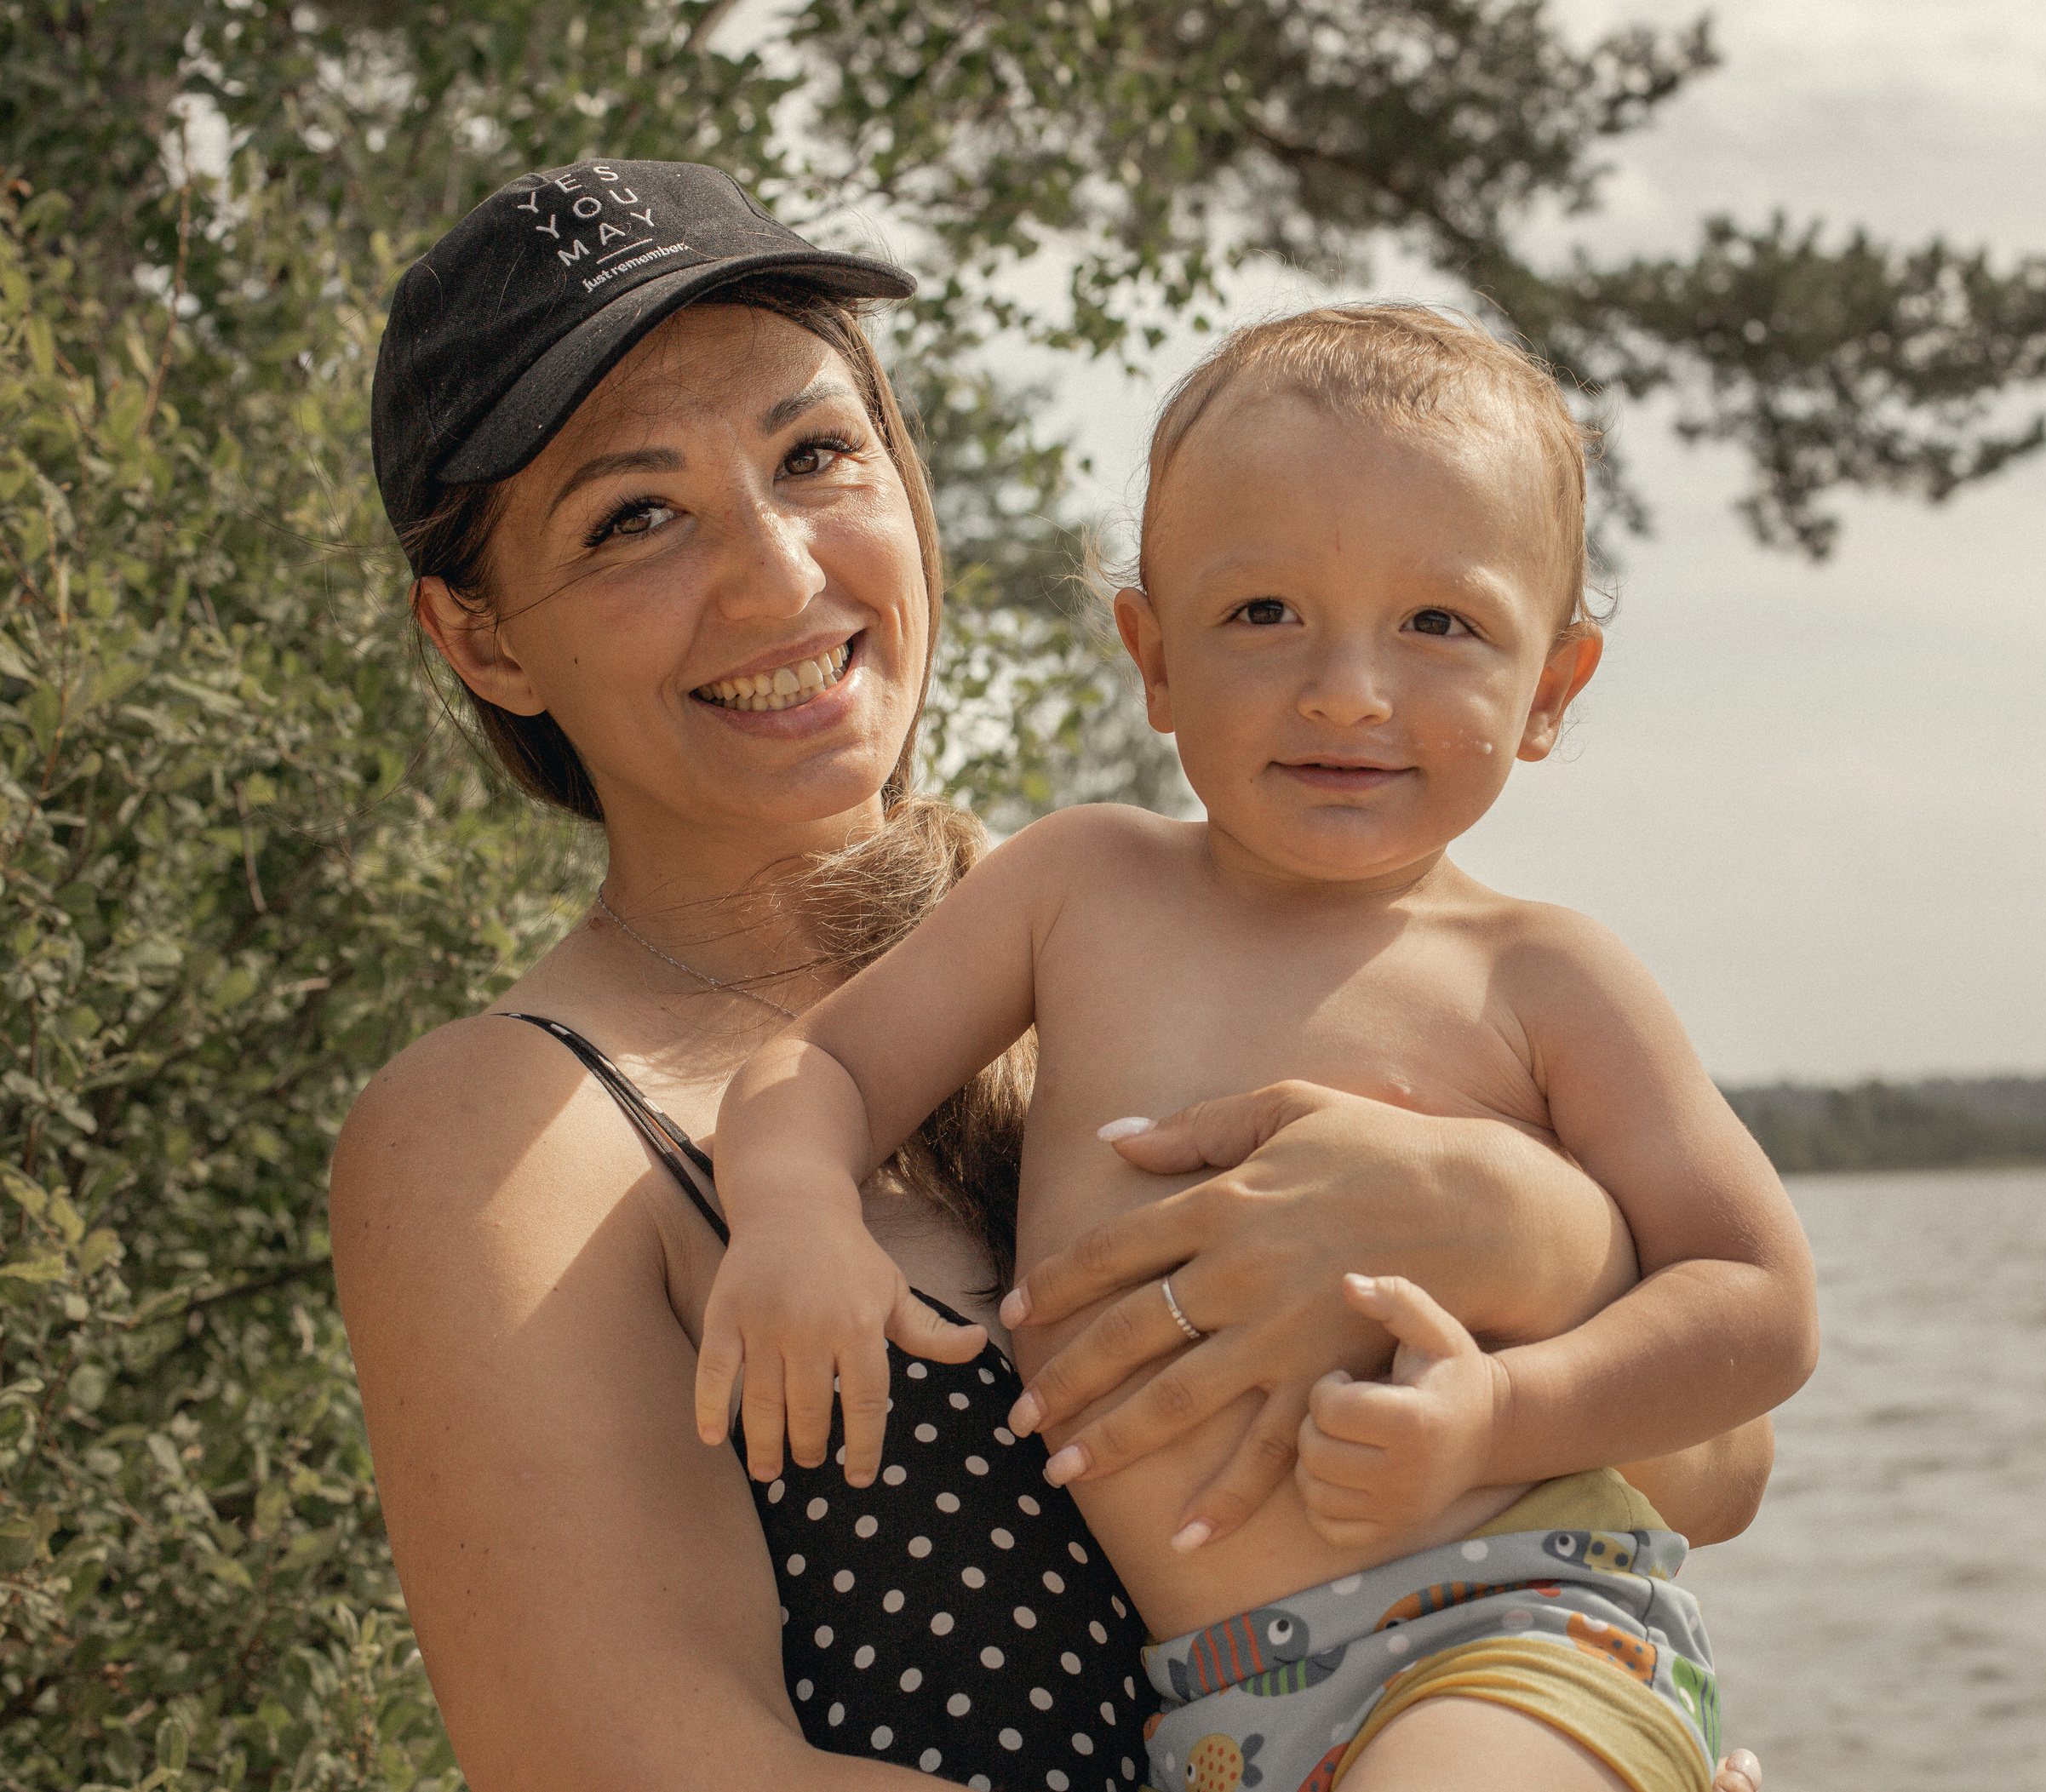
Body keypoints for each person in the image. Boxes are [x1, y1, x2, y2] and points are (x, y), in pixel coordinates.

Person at [331, 161, 1769, 1792]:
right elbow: (638, 1765)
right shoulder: (511, 1127)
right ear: (484, 638)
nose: (779, 572)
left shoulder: (1139, 935)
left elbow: (1717, 1468)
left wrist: (1510, 1224)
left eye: (815, 453)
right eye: (633, 517)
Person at [696, 305, 1818, 1792]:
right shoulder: (1078, 887)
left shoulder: (1543, 976)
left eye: (1440, 624)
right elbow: (819, 1071)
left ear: (1549, 688)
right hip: (1218, 1717)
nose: (1347, 687)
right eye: (1263, 614)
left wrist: (1501, 1406)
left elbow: (1757, 1304)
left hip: (1515, 1629)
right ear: (1151, 656)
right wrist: (791, 1213)